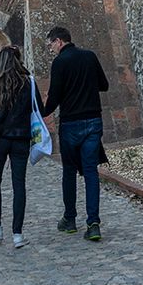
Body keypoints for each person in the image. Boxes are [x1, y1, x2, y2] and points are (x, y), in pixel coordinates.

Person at [41, 25, 109, 241]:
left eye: (51, 44)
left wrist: (41, 112)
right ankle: (94, 223)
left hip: (71, 123)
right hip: (93, 121)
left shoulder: (60, 62)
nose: (51, 48)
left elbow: (55, 98)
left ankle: (70, 219)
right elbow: (104, 85)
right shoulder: (89, 56)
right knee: (90, 172)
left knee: (69, 171)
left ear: (59, 41)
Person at [0, 44, 45, 248]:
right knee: (19, 184)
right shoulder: (28, 83)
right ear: (19, 60)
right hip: (20, 139)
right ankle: (17, 234)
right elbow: (39, 110)